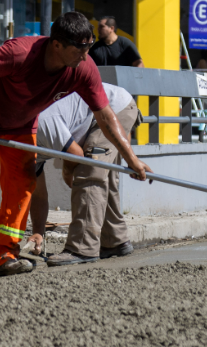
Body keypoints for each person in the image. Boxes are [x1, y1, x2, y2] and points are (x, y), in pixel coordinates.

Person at [0, 12, 152, 278]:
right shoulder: (19, 53)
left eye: (88, 47)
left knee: (21, 188)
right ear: (56, 44)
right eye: (79, 49)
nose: (85, 56)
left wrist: (131, 159)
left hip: (21, 126)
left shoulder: (83, 68)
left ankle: (3, 256)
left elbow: (105, 116)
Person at [26, 83, 140, 264]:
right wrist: (38, 232)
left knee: (89, 172)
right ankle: (115, 240)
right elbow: (38, 195)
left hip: (112, 108)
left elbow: (76, 155)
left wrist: (66, 170)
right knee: (104, 178)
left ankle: (82, 248)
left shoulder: (42, 123)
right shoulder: (21, 151)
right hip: (99, 112)